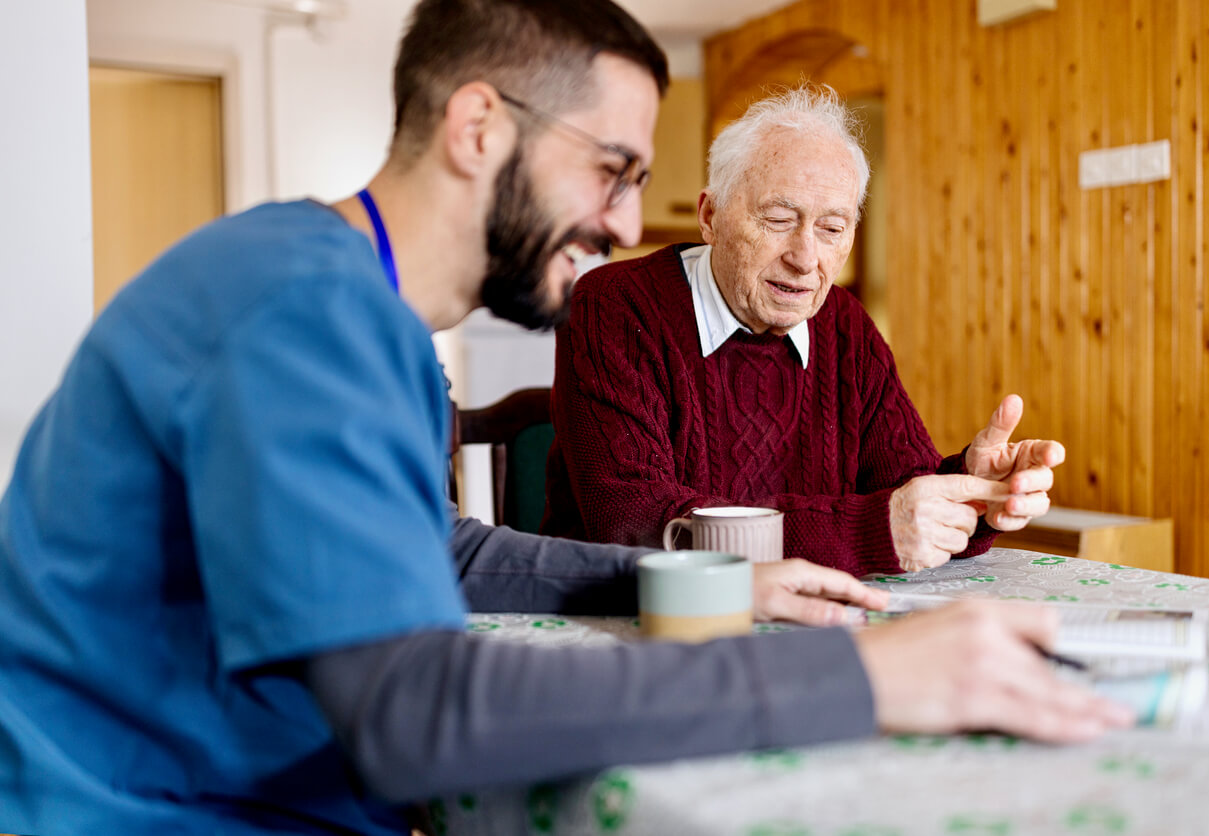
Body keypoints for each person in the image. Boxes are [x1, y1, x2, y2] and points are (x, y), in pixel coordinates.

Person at [0, 4, 1130, 835]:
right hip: (154, 811)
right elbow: (411, 709)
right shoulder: (295, 308)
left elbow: (445, 549)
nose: (630, 219)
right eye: (609, 169)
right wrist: (871, 679)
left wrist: (691, 580)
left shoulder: (364, 315)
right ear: (479, 126)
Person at [543, 85, 1064, 577]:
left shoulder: (845, 324)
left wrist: (971, 493)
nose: (805, 258)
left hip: (805, 622)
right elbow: (635, 524)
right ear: (710, 215)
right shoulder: (612, 307)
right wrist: (869, 530)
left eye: (832, 229)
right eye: (777, 218)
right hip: (640, 627)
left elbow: (902, 491)